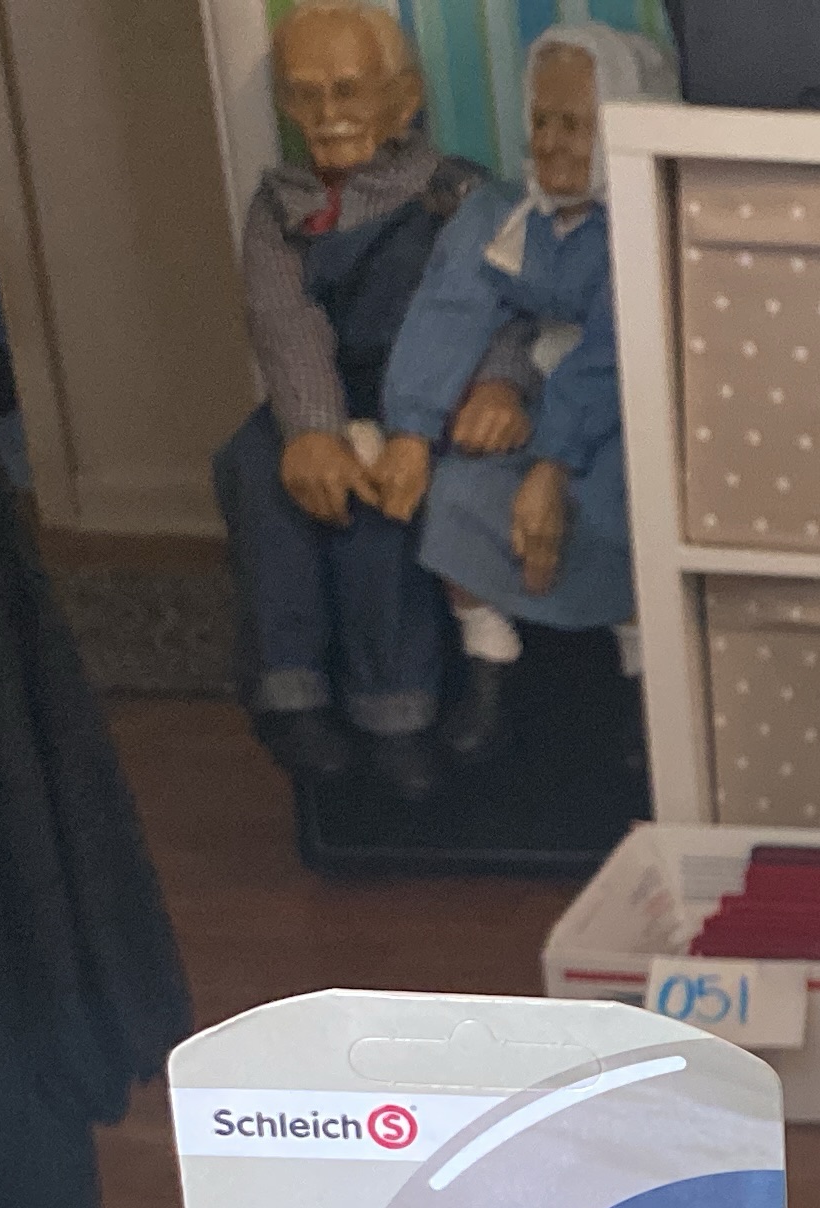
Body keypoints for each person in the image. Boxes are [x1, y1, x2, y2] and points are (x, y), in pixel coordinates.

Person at [213, 1, 527, 801]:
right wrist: (313, 429)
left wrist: (496, 384)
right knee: (259, 469)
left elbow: (495, 301)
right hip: (323, 384)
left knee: (388, 498)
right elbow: (285, 321)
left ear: (404, 97)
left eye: (348, 90)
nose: (328, 113)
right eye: (305, 93)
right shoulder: (281, 208)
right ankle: (292, 692)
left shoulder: (453, 191)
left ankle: (397, 712)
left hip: (429, 391)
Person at [371, 21, 672, 764]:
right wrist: (412, 428)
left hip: (621, 407)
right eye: (542, 121)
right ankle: (489, 660)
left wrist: (551, 464)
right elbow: (451, 309)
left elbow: (610, 353)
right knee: (459, 488)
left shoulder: (642, 223)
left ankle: (647, 683)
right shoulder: (503, 214)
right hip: (541, 396)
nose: (552, 143)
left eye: (577, 125)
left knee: (618, 504)